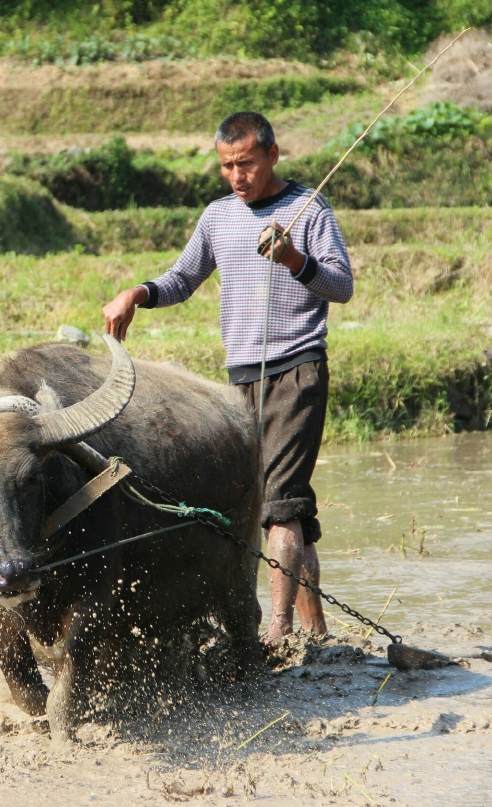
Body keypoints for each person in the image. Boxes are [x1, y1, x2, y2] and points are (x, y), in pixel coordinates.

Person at [101, 111, 353, 646]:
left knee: (276, 502)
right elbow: (182, 279)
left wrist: (291, 257)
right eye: (226, 166)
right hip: (240, 377)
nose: (237, 176)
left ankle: (279, 631)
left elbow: (340, 285)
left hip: (297, 369)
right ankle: (318, 631)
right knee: (288, 507)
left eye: (246, 163)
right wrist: (137, 294)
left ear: (272, 155)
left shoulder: (308, 209)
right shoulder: (218, 217)